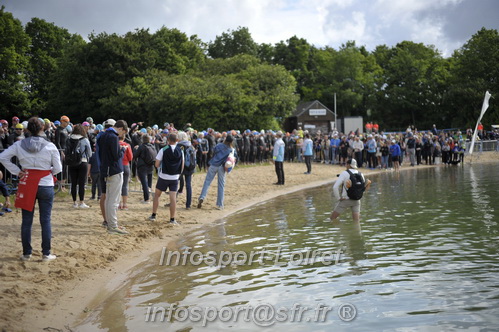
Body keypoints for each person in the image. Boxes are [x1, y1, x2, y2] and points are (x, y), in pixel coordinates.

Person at [0, 117, 62, 261]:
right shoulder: (50, 146)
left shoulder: (19, 144)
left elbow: (3, 157)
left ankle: (27, 253)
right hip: (45, 183)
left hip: (27, 182)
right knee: (45, 220)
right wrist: (49, 172)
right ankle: (46, 253)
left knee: (26, 220)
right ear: (42, 128)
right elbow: (58, 168)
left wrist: (17, 171)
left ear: (27, 129)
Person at [98, 119, 128, 235]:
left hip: (106, 169)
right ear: (120, 129)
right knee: (113, 200)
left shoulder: (103, 135)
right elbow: (116, 156)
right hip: (114, 170)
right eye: (123, 132)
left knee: (109, 199)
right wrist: (122, 149)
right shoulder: (113, 137)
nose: (122, 135)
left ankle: (111, 223)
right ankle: (113, 225)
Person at [149, 132, 183, 224]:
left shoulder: (163, 149)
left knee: (157, 195)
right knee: (173, 198)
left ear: (168, 140)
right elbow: (182, 164)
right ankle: (172, 219)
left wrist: (159, 166)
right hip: (175, 177)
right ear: (177, 140)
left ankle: (153, 215)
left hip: (163, 176)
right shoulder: (180, 150)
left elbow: (156, 164)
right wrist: (178, 174)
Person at [197, 135, 236, 210]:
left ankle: (202, 197)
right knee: (221, 185)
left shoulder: (218, 145)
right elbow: (232, 158)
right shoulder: (231, 149)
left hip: (213, 165)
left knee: (207, 182)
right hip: (222, 167)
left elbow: (213, 153)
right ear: (231, 142)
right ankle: (220, 204)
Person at [330, 159, 371, 223]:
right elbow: (363, 188)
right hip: (357, 200)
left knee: (332, 219)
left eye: (346, 164)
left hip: (345, 200)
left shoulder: (345, 173)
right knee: (356, 222)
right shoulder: (361, 174)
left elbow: (335, 187)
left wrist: (338, 198)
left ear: (349, 165)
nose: (345, 165)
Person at [66, 124, 92, 208]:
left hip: (71, 162)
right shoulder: (84, 139)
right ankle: (81, 202)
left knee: (73, 183)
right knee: (81, 183)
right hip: (82, 162)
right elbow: (89, 153)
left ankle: (74, 202)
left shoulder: (69, 139)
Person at [133, 134, 155, 203]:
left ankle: (146, 198)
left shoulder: (141, 147)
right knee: (149, 182)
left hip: (142, 166)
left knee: (144, 183)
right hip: (151, 165)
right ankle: (149, 196)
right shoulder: (152, 146)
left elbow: (135, 155)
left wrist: (135, 149)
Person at [177, 131, 195, 209]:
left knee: (175, 184)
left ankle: (173, 201)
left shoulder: (179, 146)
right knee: (188, 185)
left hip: (180, 167)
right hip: (190, 167)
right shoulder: (190, 145)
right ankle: (188, 204)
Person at [118, 132, 133, 210]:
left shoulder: (115, 144)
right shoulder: (127, 145)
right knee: (125, 185)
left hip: (118, 166)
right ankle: (124, 204)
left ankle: (119, 203)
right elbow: (130, 157)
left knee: (118, 185)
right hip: (126, 165)